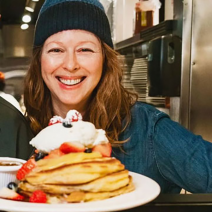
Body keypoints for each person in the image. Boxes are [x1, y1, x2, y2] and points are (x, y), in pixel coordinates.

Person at [23, 0, 212, 193]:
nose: (70, 64)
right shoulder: (19, 132)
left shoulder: (148, 131)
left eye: (85, 50)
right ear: (39, 61)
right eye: (56, 50)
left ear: (105, 59)